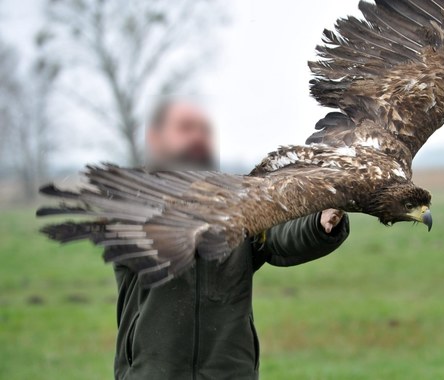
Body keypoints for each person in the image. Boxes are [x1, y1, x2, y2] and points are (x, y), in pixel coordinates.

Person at [112, 99, 349, 380]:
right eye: (186, 128)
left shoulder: (239, 201)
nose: (198, 137)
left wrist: (317, 223)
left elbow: (277, 236)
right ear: (156, 139)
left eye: (204, 130)